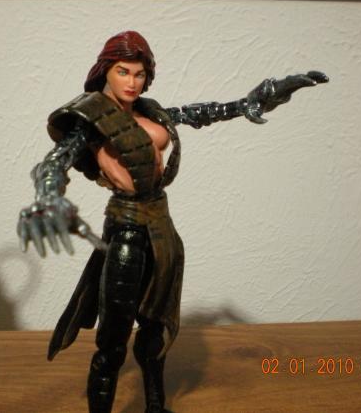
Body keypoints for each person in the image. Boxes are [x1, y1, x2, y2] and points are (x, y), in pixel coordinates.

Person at [17, 31, 327, 413]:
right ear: (105, 71)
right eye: (123, 71)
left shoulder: (151, 111)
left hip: (162, 230)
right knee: (112, 342)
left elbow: (199, 114)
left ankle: (155, 406)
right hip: (126, 232)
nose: (132, 82)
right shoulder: (90, 120)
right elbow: (54, 162)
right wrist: (48, 196)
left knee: (156, 330)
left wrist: (252, 101)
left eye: (139, 73)